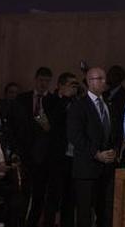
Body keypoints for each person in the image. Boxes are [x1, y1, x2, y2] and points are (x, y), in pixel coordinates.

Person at [68, 67, 119, 227]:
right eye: (100, 79)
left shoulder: (109, 104)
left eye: (105, 78)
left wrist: (114, 150)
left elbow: (116, 131)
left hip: (108, 168)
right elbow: (75, 136)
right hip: (86, 169)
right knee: (85, 215)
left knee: (106, 213)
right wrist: (96, 154)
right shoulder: (79, 106)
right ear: (90, 81)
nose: (105, 82)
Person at [16, 66, 53, 226]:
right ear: (35, 80)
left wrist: (48, 127)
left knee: (39, 195)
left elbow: (56, 130)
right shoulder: (22, 99)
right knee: (22, 194)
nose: (43, 84)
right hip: (24, 153)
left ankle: (32, 223)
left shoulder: (53, 101)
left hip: (43, 157)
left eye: (47, 81)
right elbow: (16, 125)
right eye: (41, 80)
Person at [43, 72, 79, 227]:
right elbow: (53, 120)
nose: (74, 88)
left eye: (75, 85)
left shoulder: (77, 102)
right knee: (54, 194)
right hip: (57, 156)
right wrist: (64, 98)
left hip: (73, 155)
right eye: (71, 84)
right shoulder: (50, 100)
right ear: (61, 85)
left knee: (70, 196)